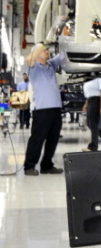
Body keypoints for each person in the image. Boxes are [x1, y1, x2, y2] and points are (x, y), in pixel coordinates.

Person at [23, 43, 66, 175]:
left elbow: (63, 54)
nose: (47, 51)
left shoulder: (51, 65)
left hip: (56, 108)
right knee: (37, 138)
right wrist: (42, 44)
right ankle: (29, 166)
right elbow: (29, 59)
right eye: (43, 50)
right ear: (36, 53)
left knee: (53, 139)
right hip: (42, 110)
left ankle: (47, 165)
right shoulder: (34, 68)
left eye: (47, 50)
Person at [81, 76, 101, 152]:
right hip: (91, 100)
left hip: (98, 100)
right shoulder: (89, 78)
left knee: (94, 124)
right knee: (89, 124)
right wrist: (86, 103)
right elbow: (89, 93)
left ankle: (93, 147)